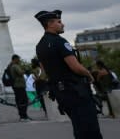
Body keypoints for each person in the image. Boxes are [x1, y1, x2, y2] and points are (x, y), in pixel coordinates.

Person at [35, 9, 104, 139]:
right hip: (76, 91)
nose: (63, 24)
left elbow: (44, 72)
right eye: (59, 22)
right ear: (50, 24)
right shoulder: (60, 41)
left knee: (79, 128)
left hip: (61, 93)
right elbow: (75, 66)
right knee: (91, 129)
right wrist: (88, 74)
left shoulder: (40, 46)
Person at [8, 54, 31, 121]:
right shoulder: (15, 66)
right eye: (18, 59)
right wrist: (26, 70)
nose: (19, 60)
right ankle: (23, 116)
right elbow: (20, 73)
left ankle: (22, 115)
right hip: (19, 85)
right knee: (23, 100)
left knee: (20, 100)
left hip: (16, 85)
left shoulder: (11, 66)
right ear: (15, 59)